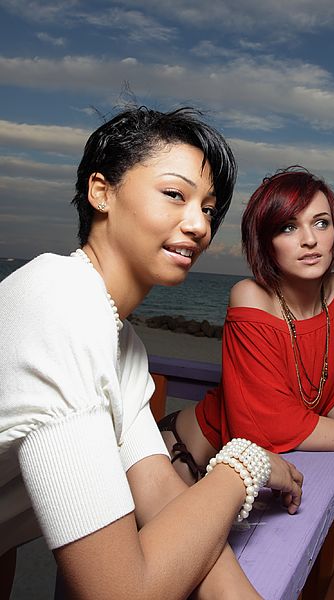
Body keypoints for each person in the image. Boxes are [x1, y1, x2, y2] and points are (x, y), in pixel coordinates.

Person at [0, 106, 303, 600]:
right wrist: (244, 465)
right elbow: (119, 591)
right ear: (101, 192)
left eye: (207, 208)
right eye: (174, 194)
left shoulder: (121, 342)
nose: (199, 225)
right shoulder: (58, 306)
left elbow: (160, 493)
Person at [160, 167, 334, 513]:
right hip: (180, 459)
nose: (310, 239)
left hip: (243, 482)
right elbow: (267, 428)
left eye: (321, 223)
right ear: (265, 240)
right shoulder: (250, 297)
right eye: (288, 227)